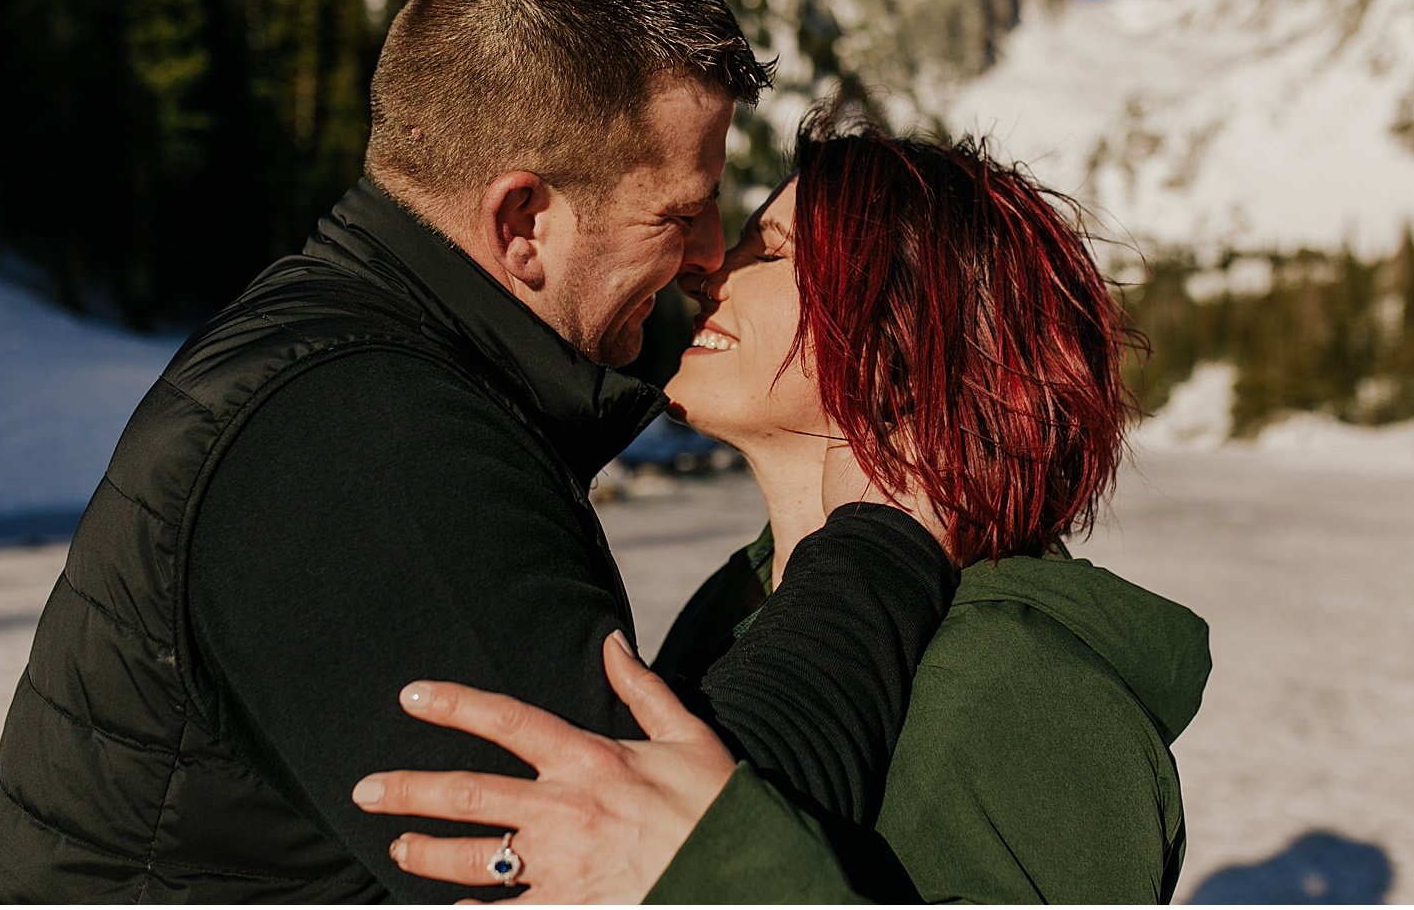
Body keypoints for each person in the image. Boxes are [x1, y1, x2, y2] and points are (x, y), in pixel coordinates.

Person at [0, 0, 959, 903]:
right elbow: (666, 849)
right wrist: (884, 541)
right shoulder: (362, 439)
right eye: (678, 211)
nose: (708, 254)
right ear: (525, 223)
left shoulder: (351, 357)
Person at [353, 108, 1214, 902]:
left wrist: (707, 869)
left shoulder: (1037, 698)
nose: (707, 269)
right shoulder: (742, 603)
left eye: (771, 248)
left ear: (902, 333)